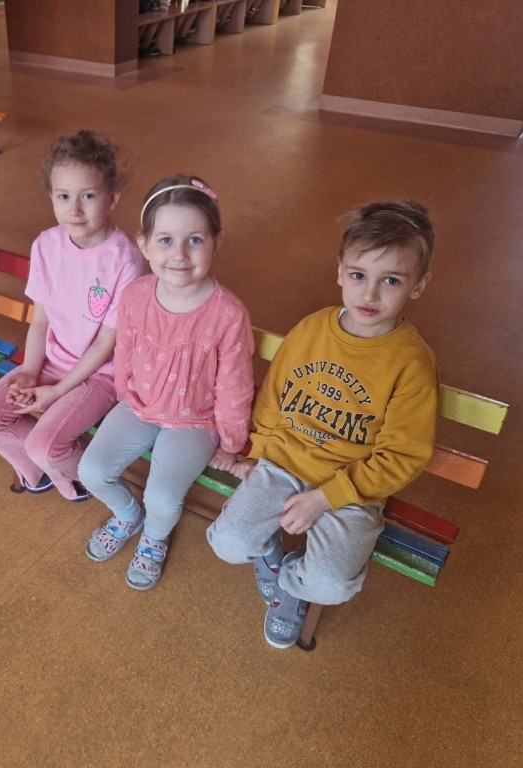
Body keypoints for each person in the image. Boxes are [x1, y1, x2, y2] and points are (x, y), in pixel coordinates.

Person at [207, 199, 438, 649]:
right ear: (339, 272)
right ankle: (271, 554)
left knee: (329, 585)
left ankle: (292, 588)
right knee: (228, 544)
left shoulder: (412, 362)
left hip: (351, 489)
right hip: (283, 465)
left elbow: (403, 456)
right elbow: (274, 398)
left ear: (419, 285)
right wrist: (258, 452)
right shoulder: (312, 329)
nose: (370, 294)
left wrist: (326, 498)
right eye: (358, 275)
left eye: (391, 280)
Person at [78, 175, 255, 590]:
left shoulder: (228, 313)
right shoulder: (135, 295)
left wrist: (231, 443)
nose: (179, 254)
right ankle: (128, 516)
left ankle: (154, 538)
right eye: (165, 240)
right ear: (144, 244)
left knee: (162, 497)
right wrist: (124, 394)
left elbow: (235, 387)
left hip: (195, 421)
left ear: (216, 242)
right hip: (139, 406)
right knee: (92, 470)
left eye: (194, 239)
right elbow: (125, 350)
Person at [0, 130, 144, 501]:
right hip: (52, 362)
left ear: (113, 197)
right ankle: (46, 472)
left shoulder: (125, 260)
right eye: (63, 196)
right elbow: (41, 320)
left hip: (100, 375)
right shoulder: (46, 245)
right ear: (51, 196)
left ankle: (79, 480)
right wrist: (30, 371)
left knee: (44, 445)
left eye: (88, 196)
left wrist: (58, 392)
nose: (74, 209)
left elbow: (106, 343)